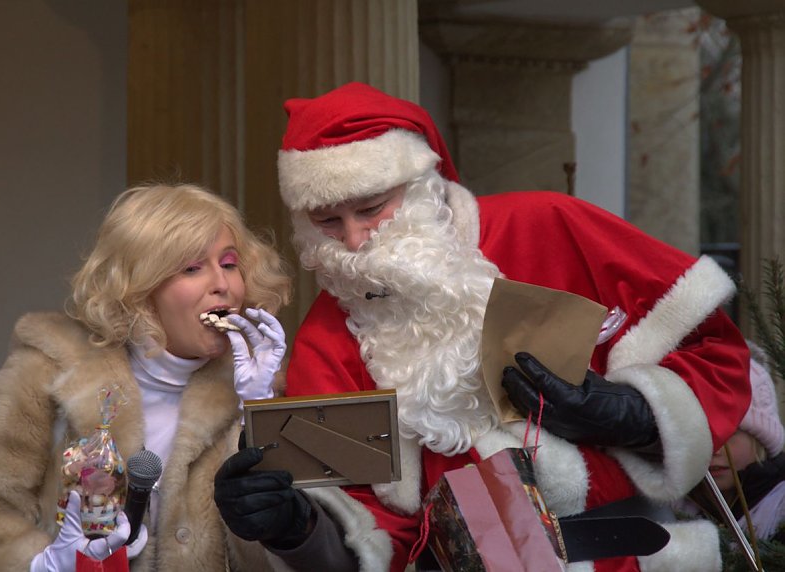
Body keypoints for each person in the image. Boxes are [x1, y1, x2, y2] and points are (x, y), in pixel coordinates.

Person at [214, 82, 752, 571]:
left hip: (629, 556)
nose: (355, 242)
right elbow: (370, 527)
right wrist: (295, 527)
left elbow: (716, 352)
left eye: (372, 209)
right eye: (328, 222)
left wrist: (627, 413)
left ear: (422, 182)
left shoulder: (548, 225)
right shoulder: (327, 340)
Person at [0, 183, 290, 571]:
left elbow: (281, 550)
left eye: (230, 263)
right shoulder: (49, 367)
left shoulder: (258, 387)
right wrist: (44, 565)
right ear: (141, 288)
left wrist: (256, 412)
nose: (222, 284)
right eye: (192, 268)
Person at [680, 344, 785, 569]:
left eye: (729, 433)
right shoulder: (676, 507)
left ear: (760, 439)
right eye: (704, 433)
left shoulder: (780, 506)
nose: (715, 449)